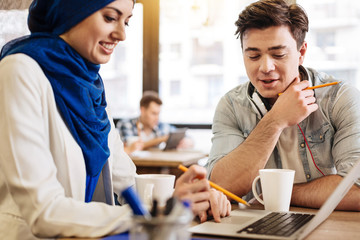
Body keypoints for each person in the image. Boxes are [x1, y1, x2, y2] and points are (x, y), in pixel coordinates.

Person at [0, 0, 230, 239]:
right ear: (70, 11)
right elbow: (44, 212)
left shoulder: (89, 86)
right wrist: (154, 215)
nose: (121, 34)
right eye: (110, 17)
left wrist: (183, 200)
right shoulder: (19, 71)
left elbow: (127, 182)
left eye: (127, 22)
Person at [205, 0, 360, 211]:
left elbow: (357, 190)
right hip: (257, 226)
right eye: (253, 55)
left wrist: (277, 193)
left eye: (278, 54)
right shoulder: (232, 105)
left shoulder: (340, 98)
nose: (265, 67)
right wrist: (276, 119)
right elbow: (220, 185)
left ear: (301, 52)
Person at [117, 90, 193, 154]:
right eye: (153, 113)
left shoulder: (160, 126)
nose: (157, 118)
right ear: (142, 110)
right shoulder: (127, 124)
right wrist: (161, 139)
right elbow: (131, 147)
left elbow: (181, 134)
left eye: (158, 113)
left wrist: (187, 141)